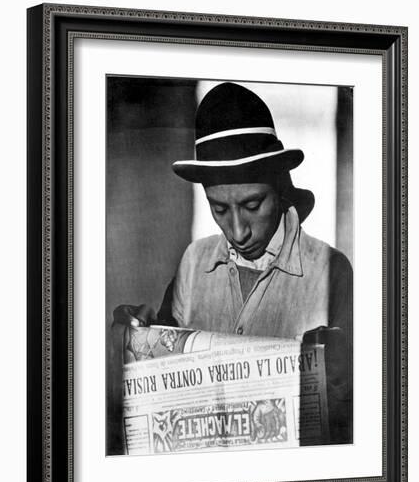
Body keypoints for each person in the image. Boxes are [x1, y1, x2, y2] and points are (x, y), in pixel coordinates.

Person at [112, 82, 352, 443]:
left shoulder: (331, 270)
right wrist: (137, 338)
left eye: (253, 205)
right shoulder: (193, 262)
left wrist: (345, 378)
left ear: (280, 187)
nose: (237, 231)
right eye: (219, 208)